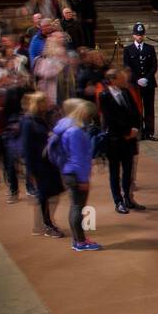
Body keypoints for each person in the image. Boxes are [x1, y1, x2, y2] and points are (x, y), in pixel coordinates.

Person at [49, 97, 101, 251]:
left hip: (68, 171)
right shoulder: (76, 132)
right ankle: (80, 242)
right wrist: (83, 179)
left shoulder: (65, 124)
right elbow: (79, 158)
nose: (90, 119)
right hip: (75, 173)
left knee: (75, 206)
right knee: (78, 207)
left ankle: (78, 240)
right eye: (89, 116)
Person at [98, 66, 146, 215]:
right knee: (115, 172)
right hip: (115, 139)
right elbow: (111, 118)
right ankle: (118, 201)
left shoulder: (125, 92)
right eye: (121, 78)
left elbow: (135, 112)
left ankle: (128, 199)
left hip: (129, 139)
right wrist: (127, 131)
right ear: (113, 80)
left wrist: (136, 129)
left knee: (128, 170)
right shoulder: (104, 96)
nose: (125, 79)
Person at [20, 92, 65, 237]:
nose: (48, 104)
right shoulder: (28, 122)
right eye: (45, 102)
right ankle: (46, 225)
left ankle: (43, 224)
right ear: (38, 104)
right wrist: (31, 171)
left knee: (52, 193)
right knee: (45, 195)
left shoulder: (41, 118)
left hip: (49, 162)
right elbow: (27, 148)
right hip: (39, 165)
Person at [123, 22, 158, 138]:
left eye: (141, 34)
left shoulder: (150, 48)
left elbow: (154, 66)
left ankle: (149, 132)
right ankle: (138, 132)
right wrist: (137, 79)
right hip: (135, 84)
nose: (139, 36)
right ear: (133, 35)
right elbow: (126, 67)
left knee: (149, 108)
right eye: (137, 34)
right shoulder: (128, 49)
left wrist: (147, 78)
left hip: (149, 83)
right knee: (136, 108)